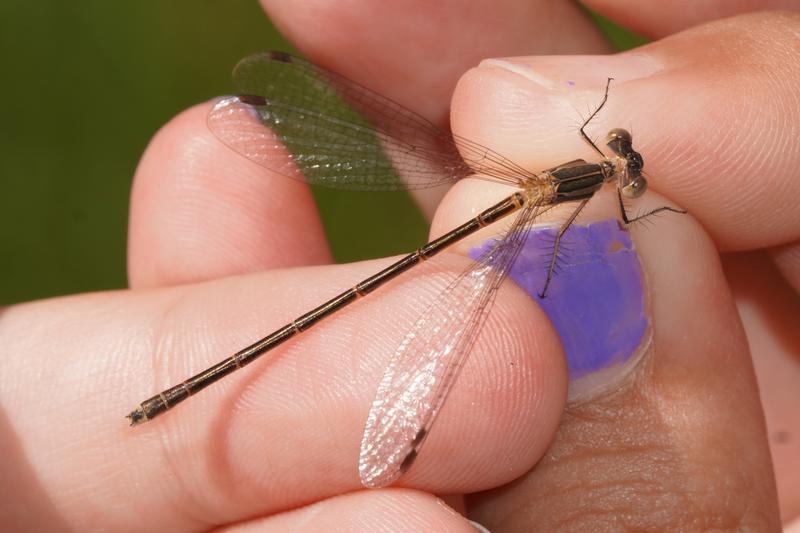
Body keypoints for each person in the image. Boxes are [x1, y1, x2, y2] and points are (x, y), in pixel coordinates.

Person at [2, 1, 798, 530]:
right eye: (620, 158)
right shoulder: (597, 178)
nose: (621, 165)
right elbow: (595, 218)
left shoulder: (578, 170)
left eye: (620, 160)